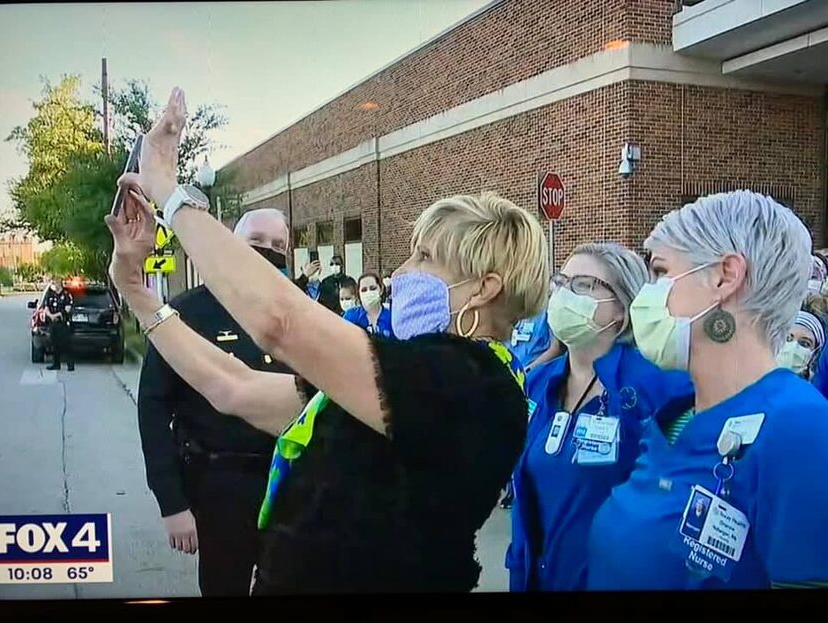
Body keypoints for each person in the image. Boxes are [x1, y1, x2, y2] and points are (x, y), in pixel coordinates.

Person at [105, 86, 549, 595]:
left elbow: (280, 321)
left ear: (485, 288)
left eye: (424, 257)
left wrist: (168, 188)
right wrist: (136, 290)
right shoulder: (405, 373)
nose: (401, 272)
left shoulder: (476, 388)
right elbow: (233, 386)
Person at [587, 190, 828, 590]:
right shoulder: (675, 417)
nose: (647, 294)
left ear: (724, 276)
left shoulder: (801, 429)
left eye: (661, 272)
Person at [507, 242, 692, 591]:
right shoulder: (537, 384)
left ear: (621, 309)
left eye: (584, 285)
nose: (563, 295)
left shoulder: (658, 389)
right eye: (561, 282)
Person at [137, 208, 295, 597]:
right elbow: (154, 407)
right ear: (230, 243)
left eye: (278, 245)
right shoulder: (187, 313)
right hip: (220, 485)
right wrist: (171, 503)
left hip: (291, 485)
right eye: (256, 242)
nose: (267, 252)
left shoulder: (300, 313)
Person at [777, 309, 825, 380]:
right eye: (788, 338)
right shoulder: (758, 380)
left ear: (814, 355)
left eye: (805, 343)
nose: (794, 346)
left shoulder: (812, 390)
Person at [343, 272, 394, 338]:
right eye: (364, 290)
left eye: (373, 288)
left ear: (381, 290)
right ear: (358, 293)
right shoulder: (350, 316)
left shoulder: (392, 317)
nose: (368, 292)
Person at [43, 275, 75, 372]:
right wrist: (50, 315)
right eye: (53, 283)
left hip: (63, 323)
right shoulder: (51, 295)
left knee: (66, 344)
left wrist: (56, 315)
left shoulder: (66, 295)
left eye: (56, 283)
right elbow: (46, 307)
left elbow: (67, 309)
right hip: (53, 323)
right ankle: (56, 364)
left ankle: (70, 364)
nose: (54, 285)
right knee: (54, 344)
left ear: (60, 283)